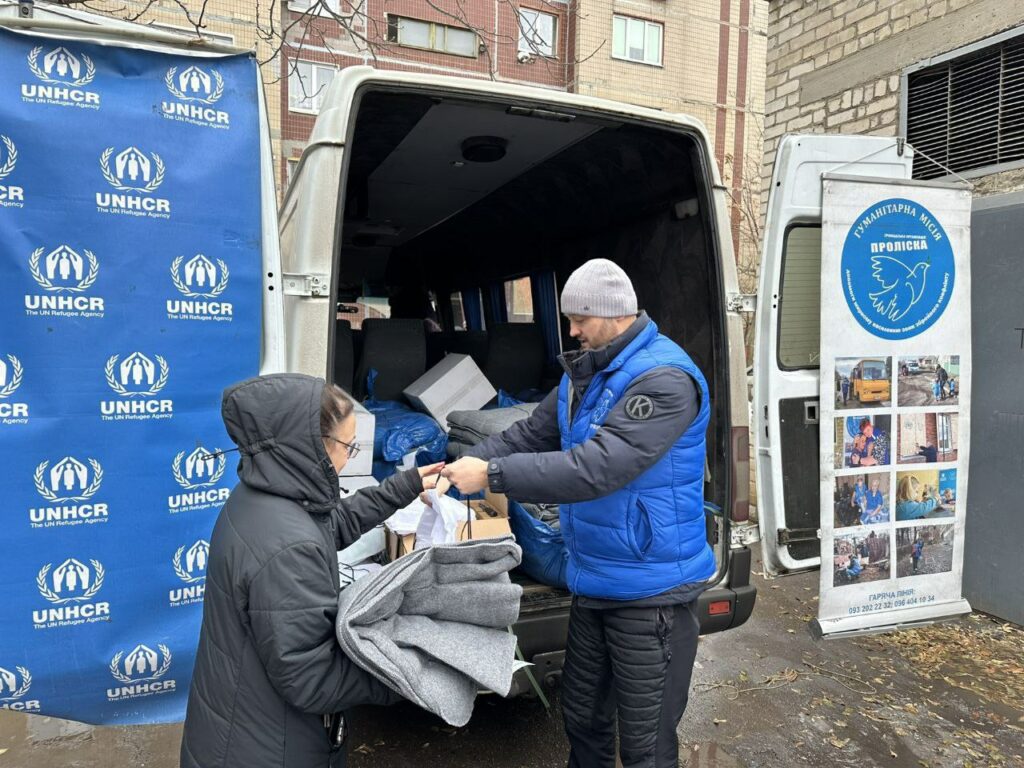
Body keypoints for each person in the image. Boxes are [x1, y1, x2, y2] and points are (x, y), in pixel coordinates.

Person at [441, 258, 713, 768]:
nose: (572, 330)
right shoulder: (582, 376)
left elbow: (596, 469)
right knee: (583, 719)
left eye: (580, 318)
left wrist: (494, 478)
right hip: (593, 579)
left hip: (648, 589)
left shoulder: (665, 380)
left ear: (613, 314)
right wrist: (467, 462)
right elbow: (529, 433)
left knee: (645, 745)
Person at [180, 374, 449, 768]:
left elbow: (328, 525)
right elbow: (311, 678)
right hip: (269, 750)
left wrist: (402, 487)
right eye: (347, 446)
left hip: (240, 728)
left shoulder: (263, 496)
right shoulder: (289, 545)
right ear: (309, 446)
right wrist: (411, 673)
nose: (349, 457)